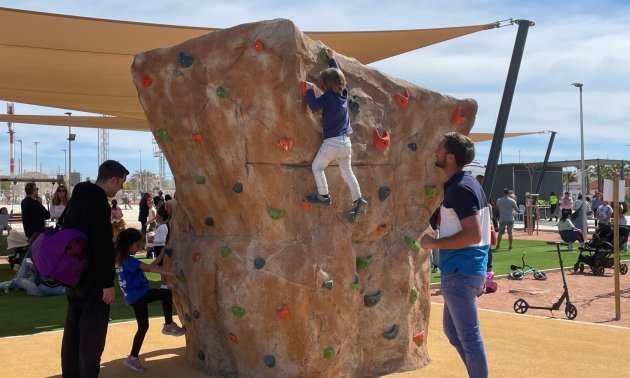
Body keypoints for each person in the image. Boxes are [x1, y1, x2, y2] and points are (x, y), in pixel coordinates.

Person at [420, 132, 490, 378]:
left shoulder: (460, 188)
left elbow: (472, 234)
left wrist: (433, 243)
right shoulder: (468, 184)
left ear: (450, 157)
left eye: (439, 148)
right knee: (453, 331)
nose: (435, 151)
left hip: (462, 271)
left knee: (469, 337)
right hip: (464, 270)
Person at [61, 160, 129, 378]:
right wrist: (107, 283)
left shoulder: (77, 198)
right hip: (94, 281)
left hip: (73, 275)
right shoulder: (98, 203)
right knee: (92, 337)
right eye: (121, 183)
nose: (120, 188)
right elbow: (102, 245)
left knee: (72, 333)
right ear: (112, 179)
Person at [303, 48, 367, 216]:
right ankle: (358, 198)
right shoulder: (343, 94)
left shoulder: (328, 97)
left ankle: (324, 195)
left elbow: (314, 105)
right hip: (346, 143)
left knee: (317, 167)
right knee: (347, 172)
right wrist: (332, 60)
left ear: (326, 85)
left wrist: (310, 90)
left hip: (332, 142)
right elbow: (339, 78)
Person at [115, 228, 184, 372]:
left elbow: (150, 266)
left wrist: (162, 254)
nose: (139, 248)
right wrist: (171, 273)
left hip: (135, 297)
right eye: (137, 245)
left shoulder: (125, 259)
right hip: (139, 295)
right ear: (129, 244)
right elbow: (149, 269)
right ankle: (169, 324)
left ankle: (132, 358)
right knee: (165, 294)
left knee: (143, 327)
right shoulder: (128, 260)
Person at [0, 257, 65, 296]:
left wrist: (34, 269)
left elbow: (37, 280)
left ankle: (5, 285)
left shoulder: (42, 259)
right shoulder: (58, 259)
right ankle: (15, 286)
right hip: (60, 290)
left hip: (42, 290)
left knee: (19, 280)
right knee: (29, 276)